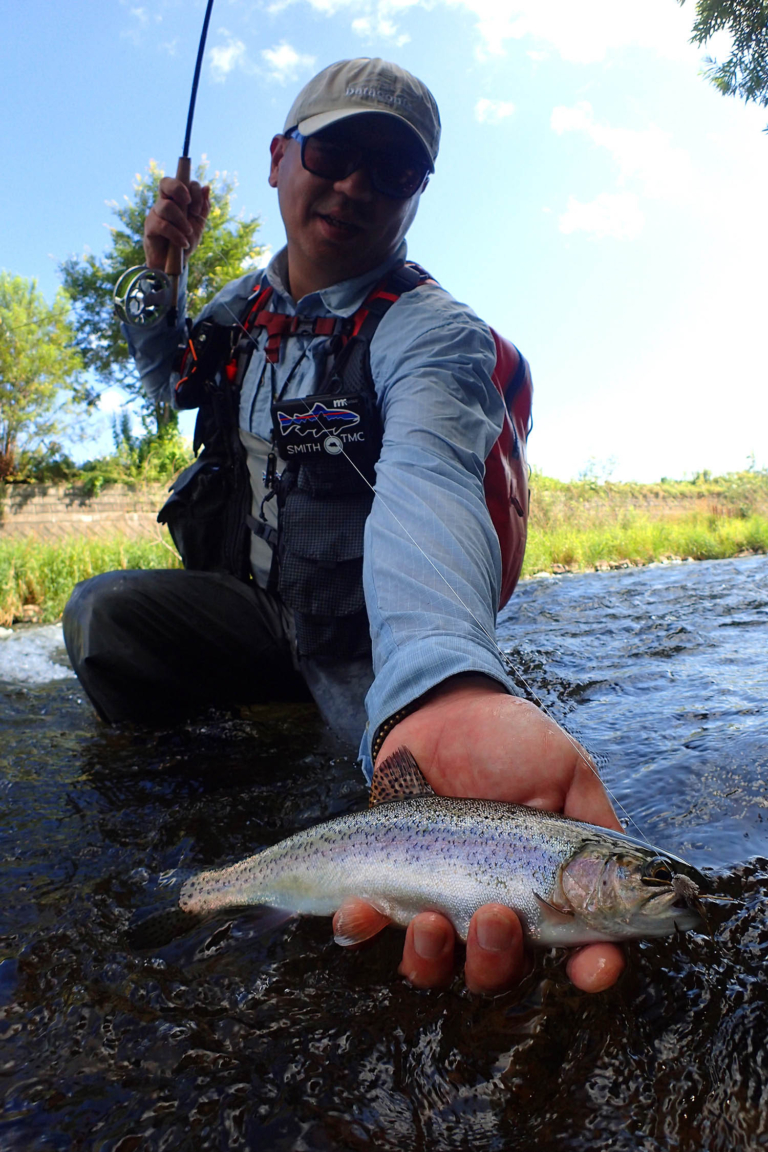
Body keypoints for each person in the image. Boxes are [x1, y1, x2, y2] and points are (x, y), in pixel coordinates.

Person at [63, 58, 624, 995]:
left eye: (393, 169)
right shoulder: (237, 314)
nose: (357, 182)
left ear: (417, 198)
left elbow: (434, 476)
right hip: (253, 608)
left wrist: (439, 682)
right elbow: (166, 379)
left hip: (369, 644)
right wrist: (157, 272)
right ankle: (213, 806)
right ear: (282, 159)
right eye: (334, 150)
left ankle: (358, 739)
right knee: (101, 619)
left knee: (380, 799)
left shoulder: (431, 332)